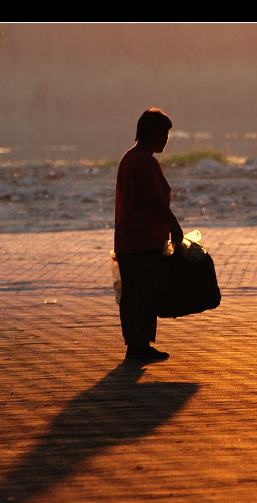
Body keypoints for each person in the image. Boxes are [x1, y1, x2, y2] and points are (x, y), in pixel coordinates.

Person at [114, 108, 183, 361]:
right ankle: (140, 346)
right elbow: (156, 203)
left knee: (132, 294)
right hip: (144, 241)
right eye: (164, 133)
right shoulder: (145, 162)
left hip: (125, 240)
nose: (166, 139)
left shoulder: (128, 158)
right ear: (153, 134)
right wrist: (175, 228)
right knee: (145, 293)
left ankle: (134, 344)